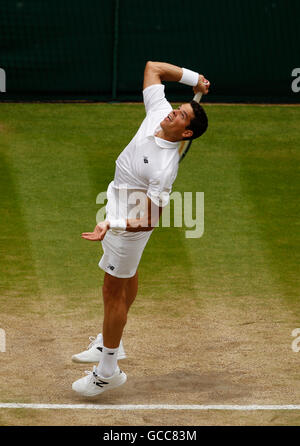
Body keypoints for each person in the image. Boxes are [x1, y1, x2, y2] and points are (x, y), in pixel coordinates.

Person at [72, 61, 210, 397]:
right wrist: (195, 81)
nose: (172, 113)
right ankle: (110, 344)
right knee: (124, 278)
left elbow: (150, 219)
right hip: (117, 203)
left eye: (181, 116)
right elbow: (153, 68)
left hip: (128, 224)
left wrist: (112, 223)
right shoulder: (159, 112)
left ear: (187, 133)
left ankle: (107, 371)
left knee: (112, 292)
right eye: (177, 109)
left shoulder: (164, 168)